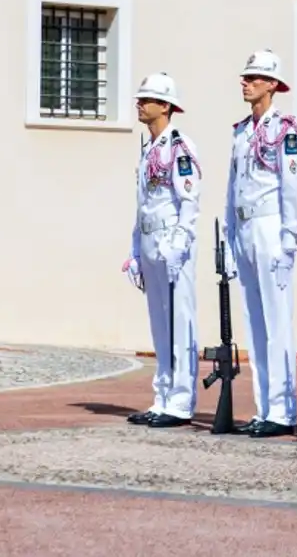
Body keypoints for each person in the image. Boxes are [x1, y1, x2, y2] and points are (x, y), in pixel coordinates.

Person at [225, 50, 297, 437]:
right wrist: (228, 236)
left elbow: (292, 187)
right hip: (244, 228)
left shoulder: (283, 129)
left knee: (277, 320)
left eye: (255, 77)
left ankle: (282, 409)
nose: (246, 82)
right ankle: (263, 406)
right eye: (245, 76)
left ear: (272, 84)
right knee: (254, 321)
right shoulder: (241, 131)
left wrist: (290, 238)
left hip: (272, 226)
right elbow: (232, 188)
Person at [123, 73, 202, 429]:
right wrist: (135, 251)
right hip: (151, 240)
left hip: (172, 243)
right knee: (158, 322)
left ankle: (181, 400)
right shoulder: (149, 149)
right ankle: (163, 396)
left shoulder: (179, 147)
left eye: (148, 99)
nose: (140, 104)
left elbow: (189, 201)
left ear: (166, 106)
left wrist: (178, 244)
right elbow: (142, 206)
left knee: (179, 321)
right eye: (140, 99)